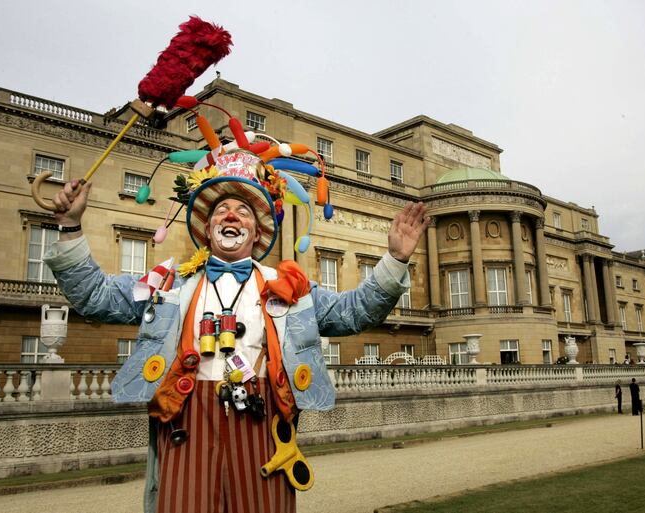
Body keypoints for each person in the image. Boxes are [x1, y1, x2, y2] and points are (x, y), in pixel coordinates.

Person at [44, 155, 430, 513]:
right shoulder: (168, 284)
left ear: (257, 230)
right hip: (186, 419)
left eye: (243, 211)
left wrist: (395, 259)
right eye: (221, 210)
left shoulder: (289, 287)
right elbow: (94, 297)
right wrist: (70, 226)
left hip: (263, 421)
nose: (231, 216)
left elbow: (354, 312)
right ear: (207, 229)